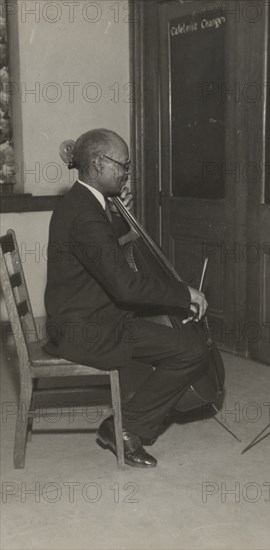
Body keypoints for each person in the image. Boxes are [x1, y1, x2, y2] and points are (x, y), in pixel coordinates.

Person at [44, 128, 209, 468]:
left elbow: (105, 257)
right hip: (86, 330)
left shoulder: (84, 202)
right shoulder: (86, 214)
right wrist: (183, 293)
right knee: (189, 351)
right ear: (98, 164)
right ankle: (126, 427)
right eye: (123, 165)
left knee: (189, 347)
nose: (126, 173)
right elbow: (125, 287)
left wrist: (116, 216)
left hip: (91, 318)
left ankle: (123, 424)